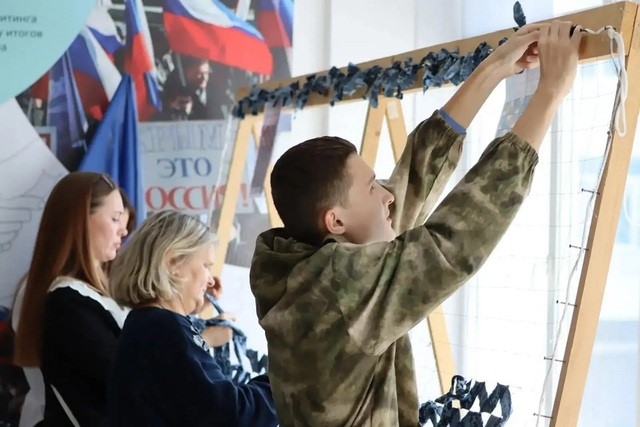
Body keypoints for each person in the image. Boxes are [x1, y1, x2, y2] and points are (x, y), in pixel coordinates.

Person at [249, 21, 583, 425]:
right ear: (335, 221)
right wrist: (549, 93)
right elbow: (453, 242)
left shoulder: (297, 266)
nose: (387, 195)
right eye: (372, 187)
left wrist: (495, 67)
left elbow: (410, 183)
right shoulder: (337, 287)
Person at [107, 210, 278, 426]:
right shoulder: (163, 330)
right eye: (206, 266)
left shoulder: (147, 324)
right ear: (174, 264)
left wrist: (186, 310)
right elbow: (230, 416)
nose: (210, 280)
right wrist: (285, 380)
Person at [13, 172, 130, 426]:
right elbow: (127, 376)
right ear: (81, 220)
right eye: (115, 219)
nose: (124, 230)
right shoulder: (67, 301)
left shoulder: (94, 292)